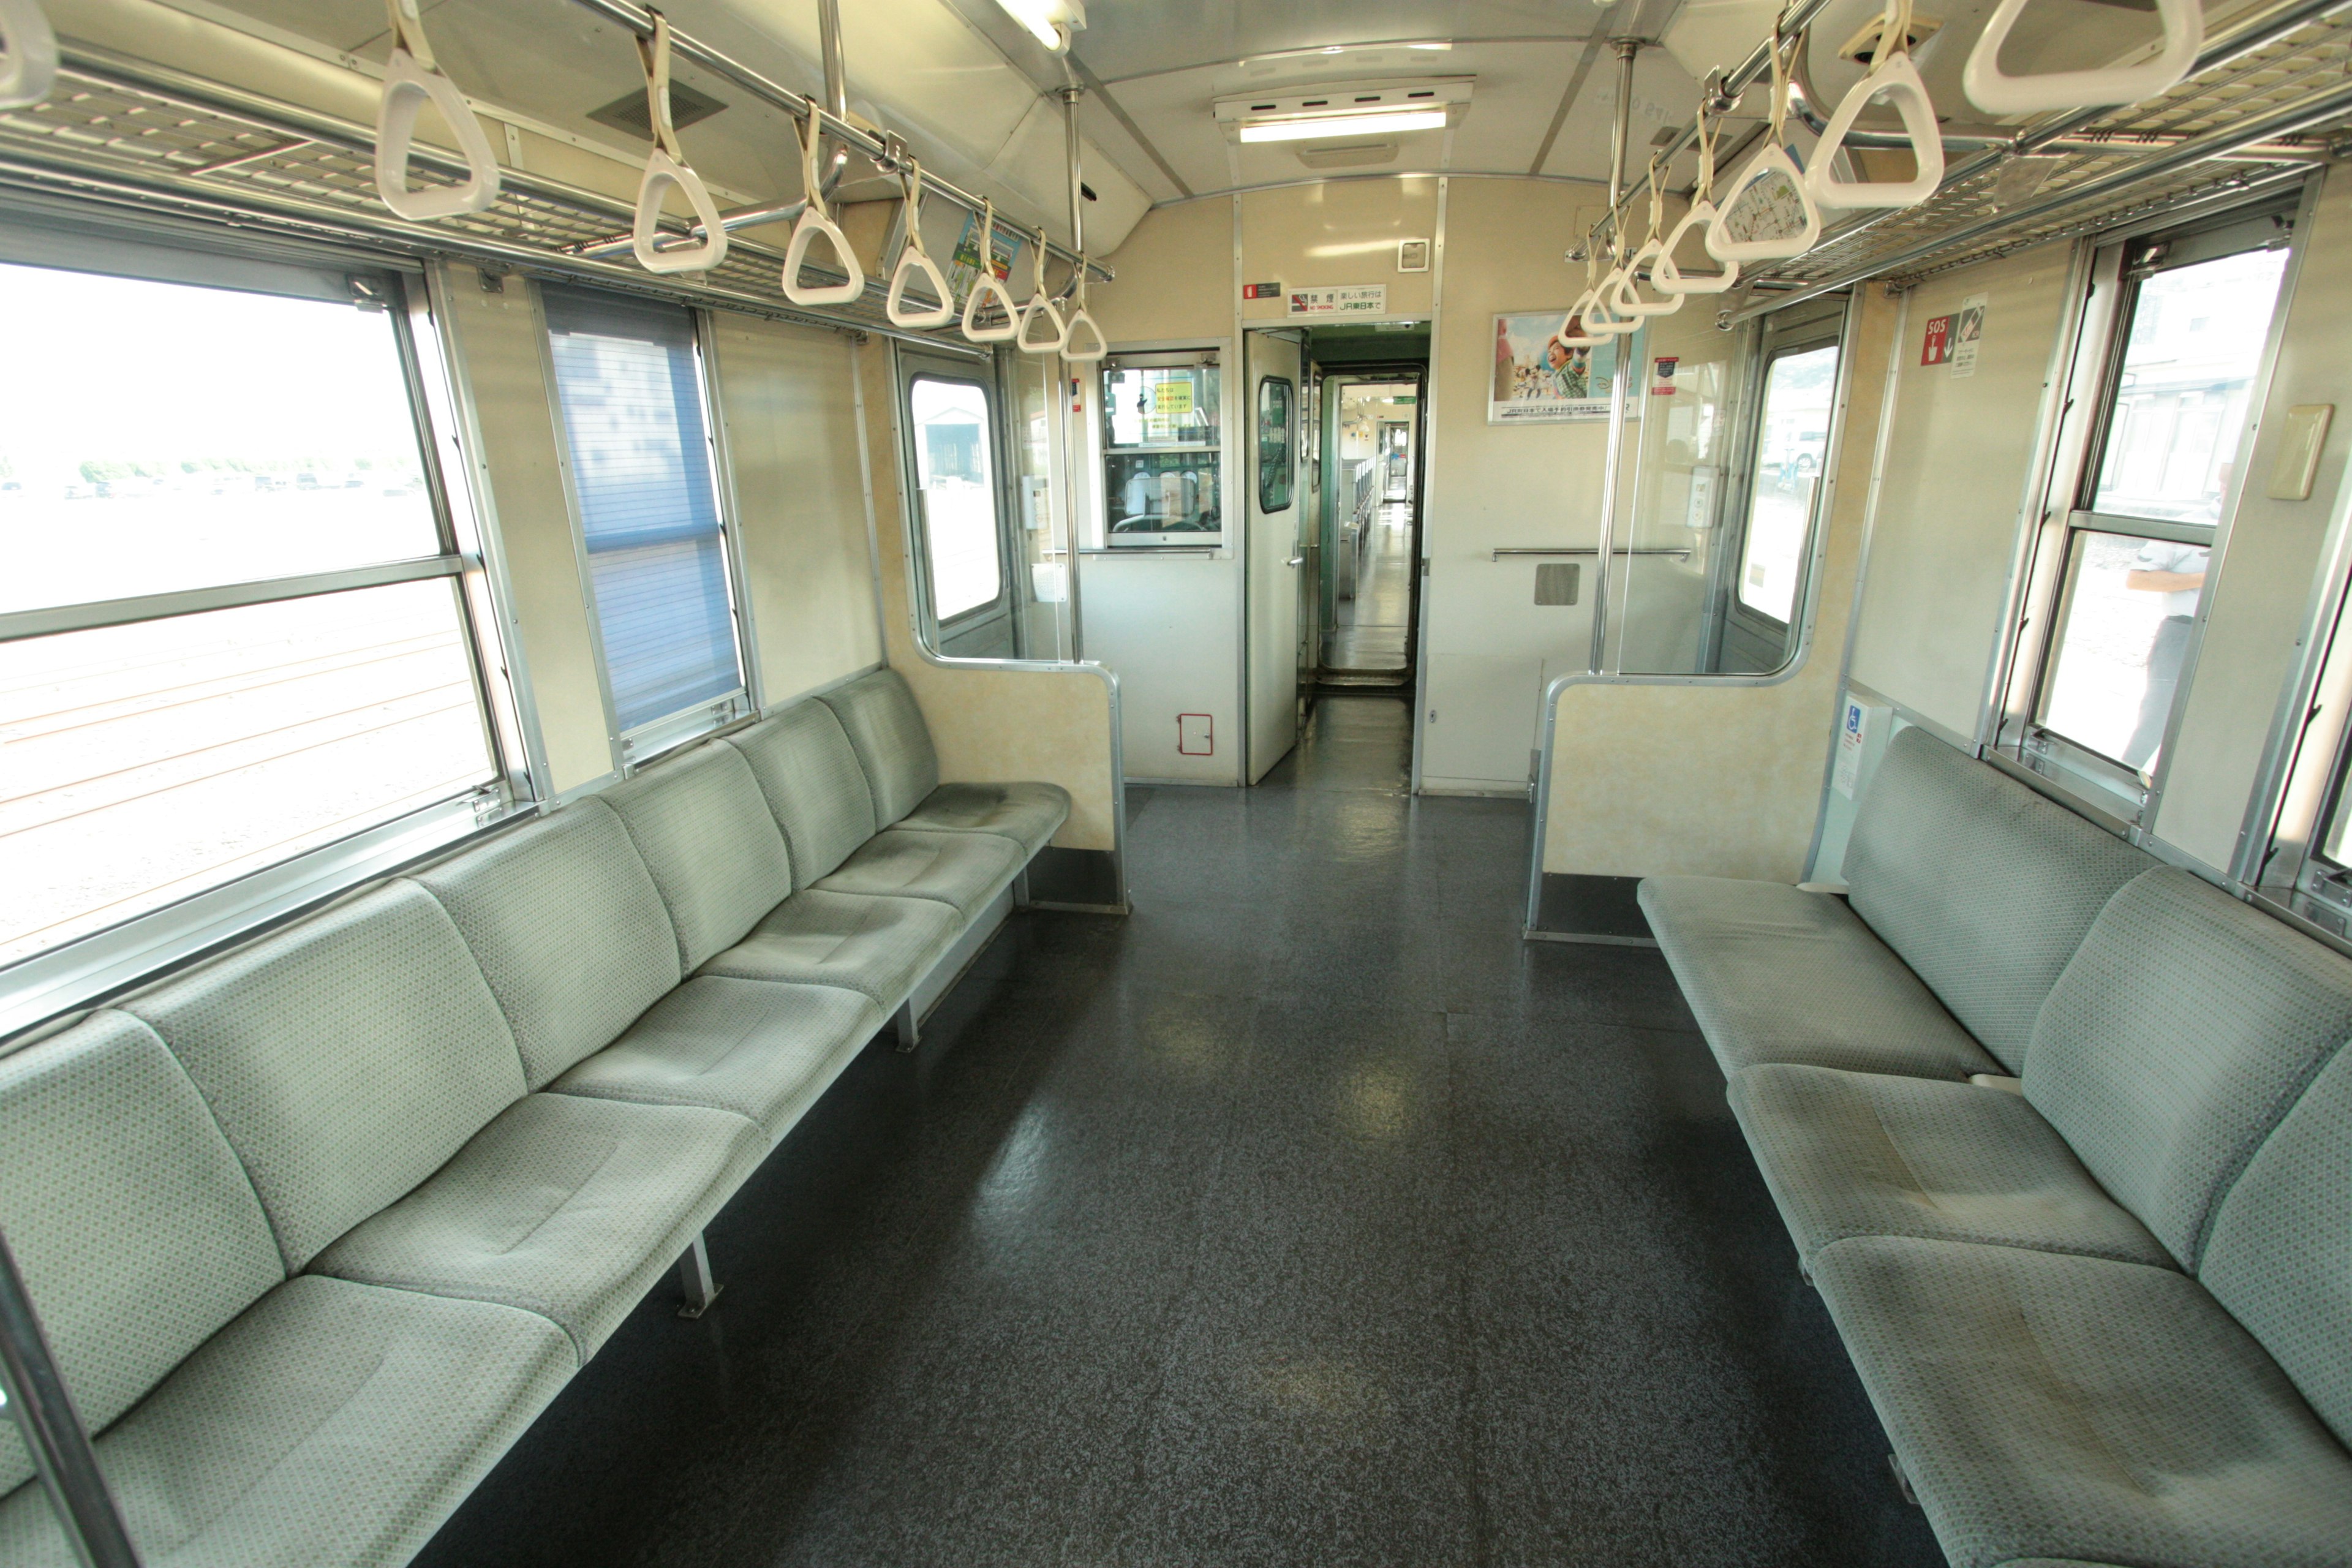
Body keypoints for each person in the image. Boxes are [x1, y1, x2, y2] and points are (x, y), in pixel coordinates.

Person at [2122, 538, 2209, 774]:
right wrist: (2209, 577)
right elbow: (2138, 579)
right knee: (2158, 716)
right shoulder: (2192, 524)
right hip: (2184, 631)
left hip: (2237, 634)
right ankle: (2122, 778)